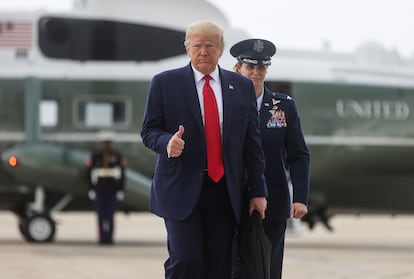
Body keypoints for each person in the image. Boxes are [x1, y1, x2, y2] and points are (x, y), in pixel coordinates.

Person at [140, 21, 268, 279]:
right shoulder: (165, 83)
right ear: (187, 48)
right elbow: (149, 131)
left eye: (210, 46)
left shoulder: (241, 87)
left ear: (221, 49)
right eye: (197, 45)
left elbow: (252, 145)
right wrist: (167, 143)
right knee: (186, 258)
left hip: (223, 190)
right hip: (180, 186)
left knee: (218, 265)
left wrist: (258, 191)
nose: (203, 52)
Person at [230, 39, 311, 279]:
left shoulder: (283, 107)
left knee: (268, 269)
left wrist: (300, 198)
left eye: (261, 68)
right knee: (233, 268)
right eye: (250, 67)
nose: (256, 72)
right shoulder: (225, 104)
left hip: (273, 202)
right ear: (239, 68)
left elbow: (299, 155)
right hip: (231, 200)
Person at [86, 132, 126, 244]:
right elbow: (89, 172)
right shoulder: (96, 156)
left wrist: (120, 190)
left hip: (112, 190)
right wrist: (91, 188)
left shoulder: (117, 156)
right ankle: (101, 238)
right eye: (104, 143)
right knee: (100, 215)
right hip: (99, 190)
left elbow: (122, 174)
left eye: (108, 143)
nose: (106, 145)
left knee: (110, 215)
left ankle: (109, 238)